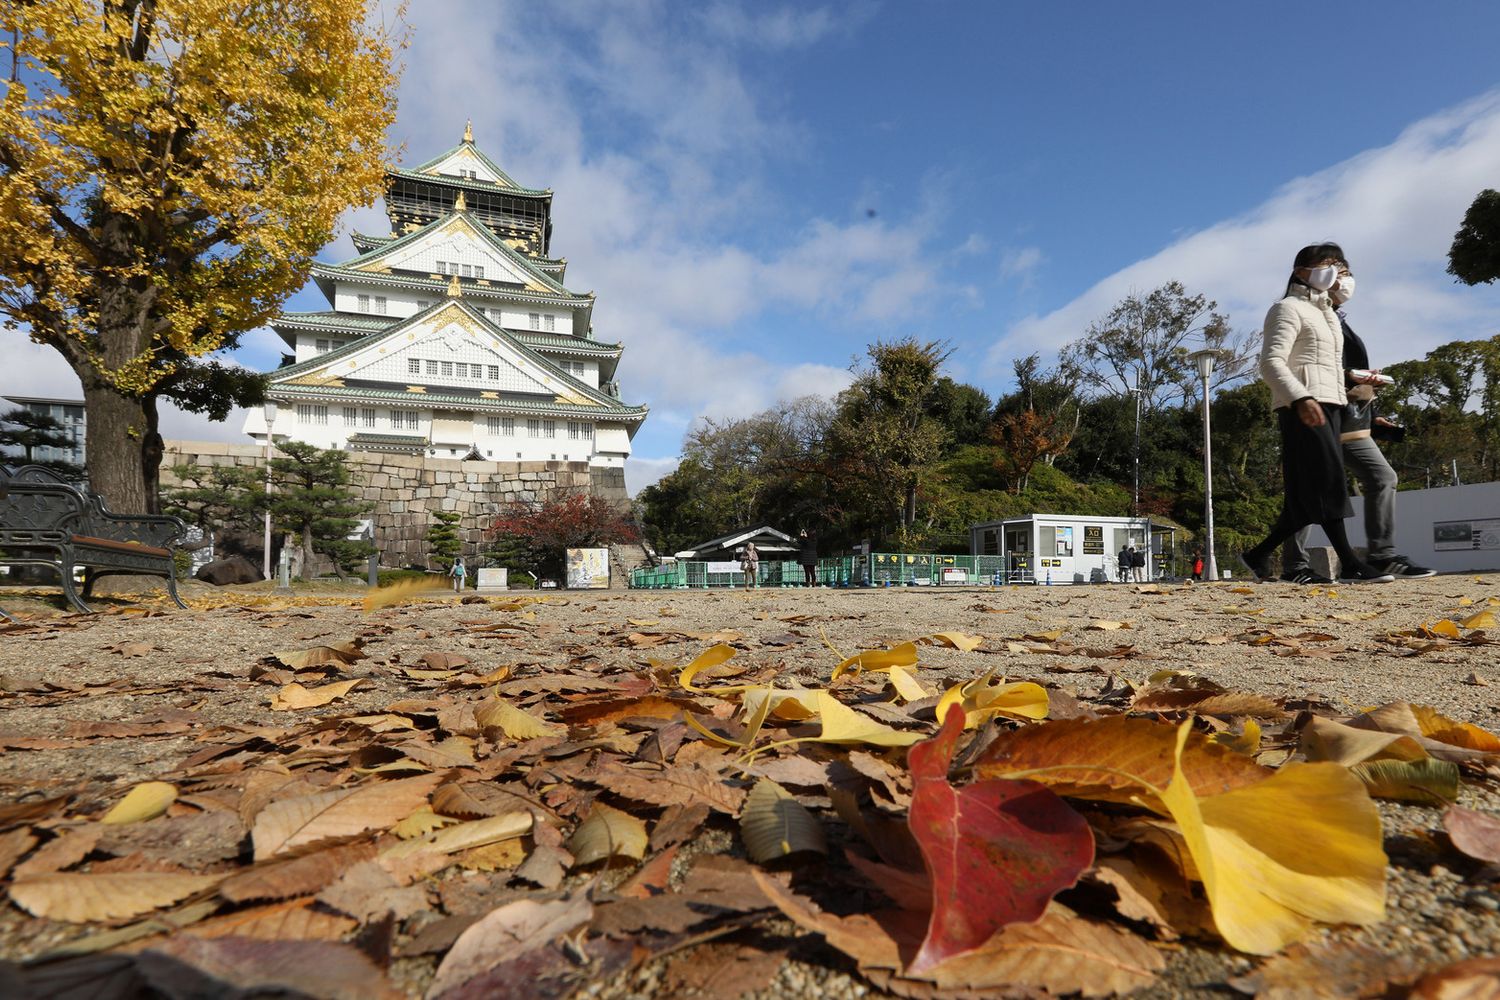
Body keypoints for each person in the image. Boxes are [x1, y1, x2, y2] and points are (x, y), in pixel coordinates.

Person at [1239, 243, 1394, 584]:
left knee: (1305, 494)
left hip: (1332, 404)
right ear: (1301, 271)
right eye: (1328, 264)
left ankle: (1258, 553)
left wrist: (1353, 386)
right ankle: (1351, 562)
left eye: (1340, 265)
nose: (1336, 271)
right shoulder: (1287, 308)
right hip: (1304, 407)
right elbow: (1270, 362)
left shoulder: (1328, 315)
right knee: (1327, 483)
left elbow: (1328, 366)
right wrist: (1300, 398)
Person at [1279, 258, 1434, 583]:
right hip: (1319, 413)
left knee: (1381, 477)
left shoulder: (1338, 319)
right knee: (1311, 488)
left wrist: (1374, 415)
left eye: (1347, 274)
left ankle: (1382, 554)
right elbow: (1293, 364)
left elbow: (1346, 372)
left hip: (1353, 418)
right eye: (1339, 273)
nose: (1345, 281)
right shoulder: (1297, 312)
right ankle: (1295, 566)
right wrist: (1347, 378)